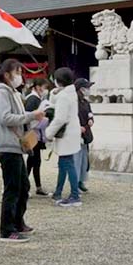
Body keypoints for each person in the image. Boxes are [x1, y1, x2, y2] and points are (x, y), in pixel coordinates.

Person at [0, 59, 45, 243]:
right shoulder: (0, 92)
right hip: (6, 145)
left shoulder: (12, 92)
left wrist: (32, 119)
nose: (20, 76)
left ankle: (17, 221)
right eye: (17, 72)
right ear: (7, 74)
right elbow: (6, 118)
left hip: (14, 145)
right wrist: (31, 115)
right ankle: (7, 229)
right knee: (12, 188)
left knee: (23, 186)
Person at [47, 68, 83, 208]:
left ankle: (75, 195)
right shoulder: (70, 93)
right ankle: (58, 192)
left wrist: (48, 133)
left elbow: (59, 118)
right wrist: (54, 93)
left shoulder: (64, 96)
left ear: (58, 81)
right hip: (71, 131)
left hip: (66, 133)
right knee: (63, 164)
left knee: (67, 163)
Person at [24, 78, 49, 196]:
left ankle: (37, 186)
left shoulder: (36, 99)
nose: (45, 90)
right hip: (33, 133)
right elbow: (29, 118)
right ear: (38, 87)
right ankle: (25, 186)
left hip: (37, 134)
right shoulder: (32, 99)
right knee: (32, 162)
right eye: (44, 87)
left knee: (35, 161)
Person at [74, 78, 94, 193]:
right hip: (78, 133)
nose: (88, 90)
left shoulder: (85, 102)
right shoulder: (74, 102)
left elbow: (90, 114)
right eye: (87, 87)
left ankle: (81, 180)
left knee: (84, 160)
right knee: (77, 160)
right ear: (81, 89)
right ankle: (75, 183)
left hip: (86, 133)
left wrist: (91, 119)